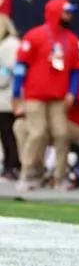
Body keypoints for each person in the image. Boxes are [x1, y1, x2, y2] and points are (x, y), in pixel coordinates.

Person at [12, 0, 79, 192]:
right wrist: (17, 92)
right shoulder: (34, 36)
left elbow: (76, 70)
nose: (70, 16)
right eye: (66, 12)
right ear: (55, 12)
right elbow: (21, 66)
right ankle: (27, 173)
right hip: (35, 96)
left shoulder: (72, 40)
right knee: (37, 133)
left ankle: (58, 177)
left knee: (61, 134)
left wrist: (72, 92)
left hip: (58, 98)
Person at [0, 12, 20, 180]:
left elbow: (8, 69)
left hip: (8, 97)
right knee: (6, 133)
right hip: (6, 96)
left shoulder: (9, 46)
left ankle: (12, 165)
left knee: (9, 133)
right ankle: (9, 164)